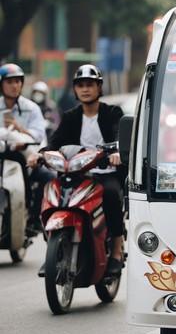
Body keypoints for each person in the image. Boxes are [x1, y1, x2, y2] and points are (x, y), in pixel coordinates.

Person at [27, 64, 126, 276]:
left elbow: (119, 135)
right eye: (80, 85)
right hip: (76, 174)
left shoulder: (112, 112)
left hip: (105, 174)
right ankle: (53, 252)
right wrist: (40, 154)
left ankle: (116, 251)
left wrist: (117, 153)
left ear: (100, 87)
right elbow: (55, 140)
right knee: (52, 192)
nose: (85, 89)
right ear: (75, 90)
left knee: (110, 194)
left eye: (90, 84)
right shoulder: (71, 116)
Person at [0, 63, 52, 231]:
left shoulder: (32, 108)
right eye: (10, 82)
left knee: (49, 177)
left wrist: (19, 129)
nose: (15, 85)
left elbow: (38, 136)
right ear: (1, 84)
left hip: (25, 157)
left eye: (17, 81)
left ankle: (34, 217)